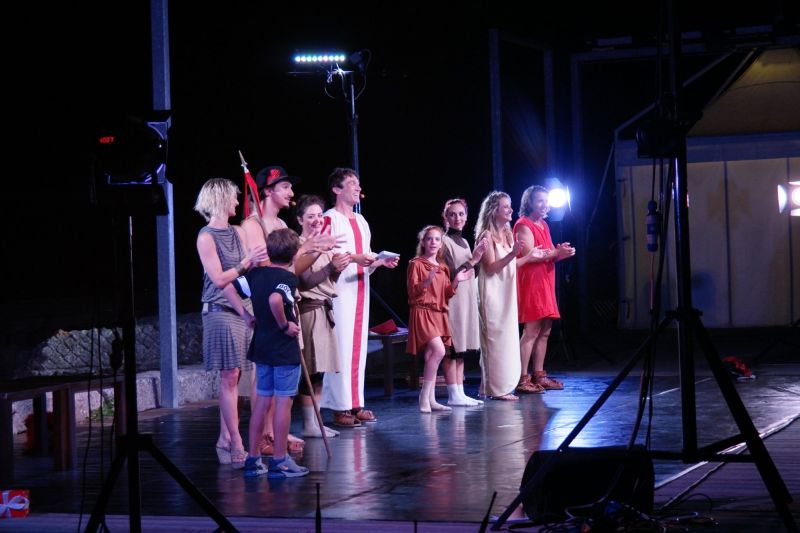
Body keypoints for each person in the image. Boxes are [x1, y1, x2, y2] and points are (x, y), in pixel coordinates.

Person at [194, 178, 268, 468]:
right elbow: (219, 279)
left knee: (236, 376)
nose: (238, 202)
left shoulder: (237, 232)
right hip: (219, 310)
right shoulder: (206, 237)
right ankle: (236, 441)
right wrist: (246, 262)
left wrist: (248, 311)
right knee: (229, 375)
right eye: (234, 198)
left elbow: (244, 275)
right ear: (222, 199)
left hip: (240, 307)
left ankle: (225, 437)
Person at [321, 167, 400, 427]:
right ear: (337, 189)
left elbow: (365, 257)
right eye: (351, 183)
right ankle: (338, 406)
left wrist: (379, 262)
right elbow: (326, 256)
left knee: (358, 348)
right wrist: (357, 258)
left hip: (359, 289)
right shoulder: (329, 219)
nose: (357, 188)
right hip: (339, 290)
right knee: (341, 346)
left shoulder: (361, 221)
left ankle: (355, 403)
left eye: (358, 183)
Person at [238, 228, 309, 478]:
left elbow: (228, 286)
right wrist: (284, 325)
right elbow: (275, 300)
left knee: (262, 402)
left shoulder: (255, 274)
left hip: (262, 347)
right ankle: (279, 460)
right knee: (283, 403)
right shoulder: (287, 278)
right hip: (282, 349)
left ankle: (253, 458)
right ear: (294, 254)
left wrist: (245, 315)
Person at [474, 191, 542, 401]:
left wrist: (529, 256)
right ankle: (496, 389)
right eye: (505, 206)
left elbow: (512, 265)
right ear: (494, 210)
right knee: (493, 338)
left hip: (506, 292)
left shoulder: (507, 233)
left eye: (510, 205)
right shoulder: (486, 235)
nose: (510, 209)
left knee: (505, 339)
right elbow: (491, 267)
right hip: (492, 292)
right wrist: (513, 254)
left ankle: (487, 386)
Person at [294, 194, 351, 435]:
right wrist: (330, 266)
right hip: (309, 312)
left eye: (319, 215)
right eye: (311, 216)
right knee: (311, 371)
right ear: (300, 220)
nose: (317, 220)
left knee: (321, 371)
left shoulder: (324, 245)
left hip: (324, 309)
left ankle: (316, 422)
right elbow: (305, 282)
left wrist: (338, 268)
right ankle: (309, 424)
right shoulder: (299, 246)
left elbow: (328, 280)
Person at [514, 185, 576, 392]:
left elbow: (547, 254)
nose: (544, 205)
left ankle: (539, 375)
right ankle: (522, 378)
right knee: (531, 330)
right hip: (532, 282)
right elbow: (531, 255)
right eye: (539, 200)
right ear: (529, 203)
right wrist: (556, 253)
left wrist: (560, 253)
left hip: (546, 281)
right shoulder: (523, 225)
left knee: (545, 330)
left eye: (546, 201)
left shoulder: (544, 225)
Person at [407, 225, 474, 412]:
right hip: (423, 312)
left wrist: (456, 280)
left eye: (437, 239)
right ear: (423, 242)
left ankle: (431, 399)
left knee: (432, 355)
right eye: (429, 239)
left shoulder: (443, 267)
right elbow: (412, 292)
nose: (433, 242)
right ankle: (423, 397)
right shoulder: (416, 264)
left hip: (439, 314)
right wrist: (426, 281)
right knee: (439, 351)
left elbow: (446, 293)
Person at [440, 198, 488, 406]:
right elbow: (452, 274)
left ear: (466, 217)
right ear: (446, 217)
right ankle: (453, 394)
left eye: (460, 214)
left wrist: (478, 258)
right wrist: (474, 259)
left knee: (461, 350)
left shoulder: (466, 242)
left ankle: (459, 392)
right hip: (453, 299)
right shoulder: (444, 242)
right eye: (452, 214)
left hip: (466, 298)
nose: (457, 218)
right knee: (452, 349)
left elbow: (471, 272)